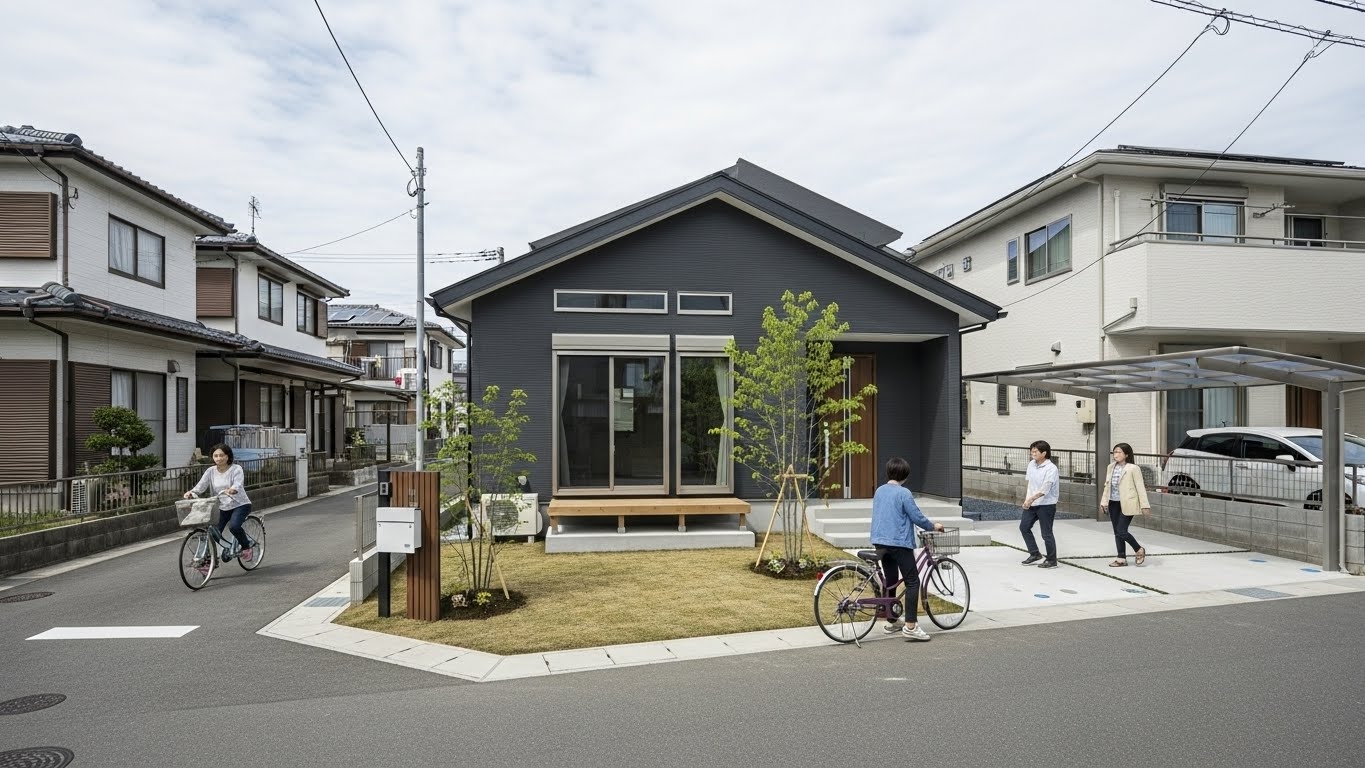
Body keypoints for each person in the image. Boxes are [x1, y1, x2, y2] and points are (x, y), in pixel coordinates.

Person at [870, 456, 944, 642]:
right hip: (898, 543)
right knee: (912, 582)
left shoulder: (879, 491)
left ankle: (892, 620)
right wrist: (933, 526)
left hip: (880, 542)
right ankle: (911, 626)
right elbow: (916, 517)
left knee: (891, 580)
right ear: (905, 475)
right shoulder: (904, 493)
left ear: (888, 472)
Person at [185, 444, 254, 560]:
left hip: (239, 504)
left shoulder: (236, 469)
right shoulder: (210, 471)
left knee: (234, 526)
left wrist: (233, 489)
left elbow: (238, 483)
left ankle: (246, 547)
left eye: (221, 455)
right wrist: (191, 492)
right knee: (213, 532)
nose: (218, 458)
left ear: (227, 456)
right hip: (221, 506)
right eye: (215, 456)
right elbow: (201, 486)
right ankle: (210, 559)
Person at [1101, 442, 1150, 567]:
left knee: (1121, 531)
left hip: (1128, 502)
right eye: (1114, 452)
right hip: (1113, 502)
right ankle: (1121, 558)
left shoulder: (1133, 468)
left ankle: (1138, 549)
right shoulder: (1111, 467)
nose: (1115, 454)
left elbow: (1140, 487)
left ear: (1126, 454)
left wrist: (1145, 505)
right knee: (1117, 532)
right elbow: (1107, 486)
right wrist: (1104, 502)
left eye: (1118, 452)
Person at [1020, 439, 1059, 569]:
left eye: (1035, 451)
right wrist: (1027, 500)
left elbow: (1045, 489)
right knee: (1024, 527)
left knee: (1046, 533)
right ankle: (1035, 554)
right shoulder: (1031, 464)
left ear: (1044, 453)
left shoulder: (1051, 468)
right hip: (1031, 503)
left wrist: (1031, 499)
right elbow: (1030, 484)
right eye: (1032, 451)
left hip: (1046, 504)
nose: (1033, 453)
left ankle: (1052, 560)